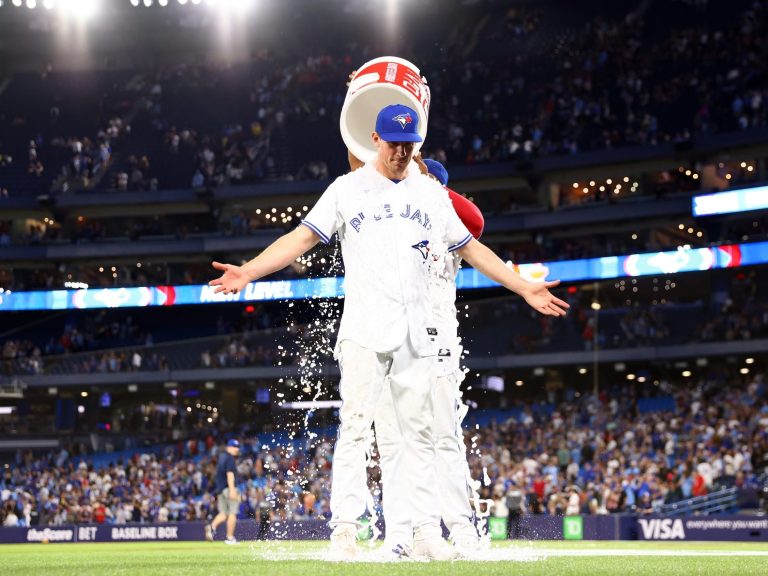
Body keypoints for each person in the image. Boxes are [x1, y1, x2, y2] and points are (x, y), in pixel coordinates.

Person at [209, 103, 569, 559]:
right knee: (355, 429)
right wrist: (248, 272)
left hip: (416, 334)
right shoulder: (346, 189)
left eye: (408, 144)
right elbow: (300, 238)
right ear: (375, 140)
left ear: (416, 144)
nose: (400, 152)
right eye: (393, 143)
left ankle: (423, 534)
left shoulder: (431, 195)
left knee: (417, 436)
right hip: (363, 328)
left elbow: (473, 248)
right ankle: (343, 531)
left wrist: (522, 287)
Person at [370, 156, 486, 558]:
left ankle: (461, 529)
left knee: (443, 438)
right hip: (391, 342)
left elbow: (477, 220)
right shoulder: (391, 228)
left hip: (437, 342)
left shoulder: (450, 225)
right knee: (392, 440)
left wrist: (428, 183)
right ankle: (402, 534)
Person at [206, 439, 241, 545]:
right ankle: (230, 537)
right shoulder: (229, 458)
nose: (237, 449)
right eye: (234, 447)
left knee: (224, 513)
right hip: (228, 488)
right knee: (232, 513)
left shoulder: (221, 457)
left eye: (237, 447)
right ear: (228, 447)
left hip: (221, 489)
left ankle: (211, 527)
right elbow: (230, 474)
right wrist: (232, 490)